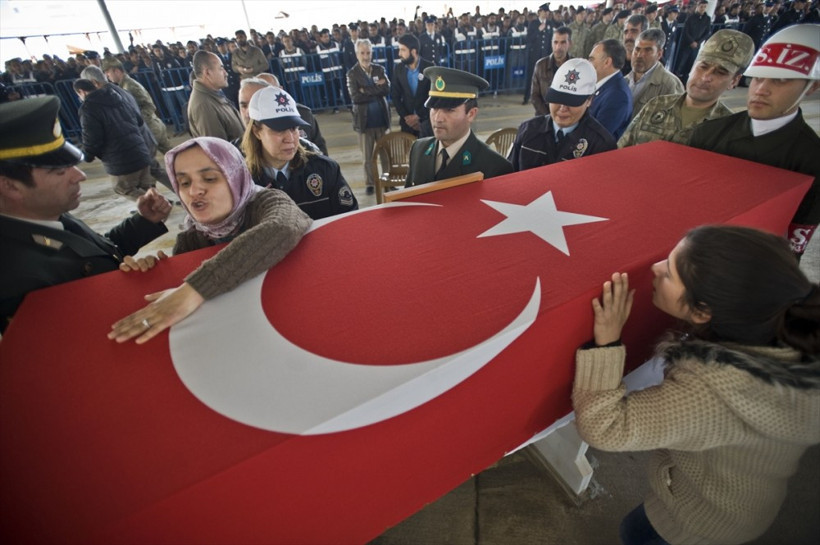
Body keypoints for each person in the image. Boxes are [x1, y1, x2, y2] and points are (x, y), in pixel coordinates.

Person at [573, 225, 820, 545]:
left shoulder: (712, 394)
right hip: (743, 503)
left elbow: (603, 427)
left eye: (669, 273)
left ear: (702, 312)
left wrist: (607, 342)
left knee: (634, 534)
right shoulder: (788, 325)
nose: (655, 268)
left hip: (695, 522)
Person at [108, 137, 312, 344]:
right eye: (184, 183)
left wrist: (195, 288)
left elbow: (283, 227)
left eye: (210, 178)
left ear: (234, 177)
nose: (194, 191)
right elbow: (179, 304)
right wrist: (155, 275)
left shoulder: (267, 201)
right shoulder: (190, 239)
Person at [0, 96, 171, 333]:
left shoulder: (45, 214)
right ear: (10, 186)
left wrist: (143, 222)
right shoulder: (15, 277)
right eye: (59, 171)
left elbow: (94, 253)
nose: (80, 176)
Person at [689, 24, 820, 259]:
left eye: (780, 81)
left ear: (813, 86)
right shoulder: (707, 135)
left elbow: (792, 246)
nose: (761, 90)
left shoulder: (812, 159)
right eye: (758, 78)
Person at [619, 29, 755, 147]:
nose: (705, 77)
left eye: (720, 72)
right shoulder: (656, 105)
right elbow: (622, 148)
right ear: (692, 67)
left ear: (734, 81)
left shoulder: (729, 129)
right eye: (703, 67)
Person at [242, 86, 357, 220]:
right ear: (256, 132)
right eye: (279, 130)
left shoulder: (325, 170)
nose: (290, 138)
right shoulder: (242, 183)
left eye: (294, 128)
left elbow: (350, 219)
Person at [405, 67, 513, 187]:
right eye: (434, 108)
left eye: (449, 110)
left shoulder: (495, 166)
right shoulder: (418, 149)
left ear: (471, 114)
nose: (437, 118)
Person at [510, 58, 616, 171]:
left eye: (571, 101)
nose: (562, 108)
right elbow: (507, 175)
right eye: (557, 98)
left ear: (589, 100)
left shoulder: (602, 145)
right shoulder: (527, 131)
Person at [347, 39, 391, 196]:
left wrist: (365, 90)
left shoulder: (379, 69)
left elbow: (386, 89)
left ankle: (387, 180)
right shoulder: (352, 74)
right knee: (367, 157)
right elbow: (355, 97)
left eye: (368, 53)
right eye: (362, 53)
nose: (366, 56)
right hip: (364, 123)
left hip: (381, 120)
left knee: (385, 155)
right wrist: (375, 89)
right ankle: (370, 183)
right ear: (357, 54)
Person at [102, 57, 171, 154]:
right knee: (171, 155)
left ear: (116, 71)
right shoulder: (125, 85)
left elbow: (148, 106)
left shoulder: (130, 86)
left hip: (150, 128)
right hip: (152, 126)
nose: (107, 76)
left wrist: (137, 122)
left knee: (147, 159)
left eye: (108, 72)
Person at [626, 29, 684, 119]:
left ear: (659, 54)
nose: (640, 55)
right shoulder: (625, 79)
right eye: (637, 49)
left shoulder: (670, 84)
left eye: (647, 50)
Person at [187, 50, 244, 141]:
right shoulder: (203, 105)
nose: (226, 73)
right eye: (221, 68)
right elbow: (217, 147)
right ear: (207, 73)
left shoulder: (213, 94)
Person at [588, 39, 633, 139]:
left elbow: (596, 136)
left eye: (591, 59)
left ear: (607, 62)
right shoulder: (606, 86)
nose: (588, 63)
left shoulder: (618, 96)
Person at [391, 34, 434, 138]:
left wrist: (418, 116)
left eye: (403, 50)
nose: (399, 53)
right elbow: (395, 96)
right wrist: (407, 118)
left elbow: (433, 97)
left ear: (413, 52)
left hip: (426, 123)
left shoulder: (430, 68)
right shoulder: (398, 69)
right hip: (406, 124)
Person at [531, 26, 573, 116]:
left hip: (567, 116)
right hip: (544, 116)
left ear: (570, 44)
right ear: (551, 43)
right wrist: (549, 116)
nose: (558, 47)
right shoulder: (540, 65)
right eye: (555, 42)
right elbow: (535, 96)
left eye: (563, 42)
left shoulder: (575, 67)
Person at [524, 3, 555, 105]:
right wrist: (538, 30)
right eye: (544, 11)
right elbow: (529, 39)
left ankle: (543, 97)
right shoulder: (533, 23)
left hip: (545, 55)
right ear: (540, 12)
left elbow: (550, 40)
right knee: (531, 76)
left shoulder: (550, 24)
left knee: (544, 77)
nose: (546, 14)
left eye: (547, 12)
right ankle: (526, 97)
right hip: (534, 55)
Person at [675, 0, 712, 82]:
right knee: (680, 63)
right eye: (701, 6)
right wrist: (691, 41)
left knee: (690, 64)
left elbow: (707, 32)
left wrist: (698, 42)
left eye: (704, 7)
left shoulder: (707, 19)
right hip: (686, 44)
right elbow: (685, 31)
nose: (702, 8)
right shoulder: (690, 17)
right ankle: (676, 79)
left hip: (696, 46)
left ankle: (685, 81)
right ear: (697, 7)